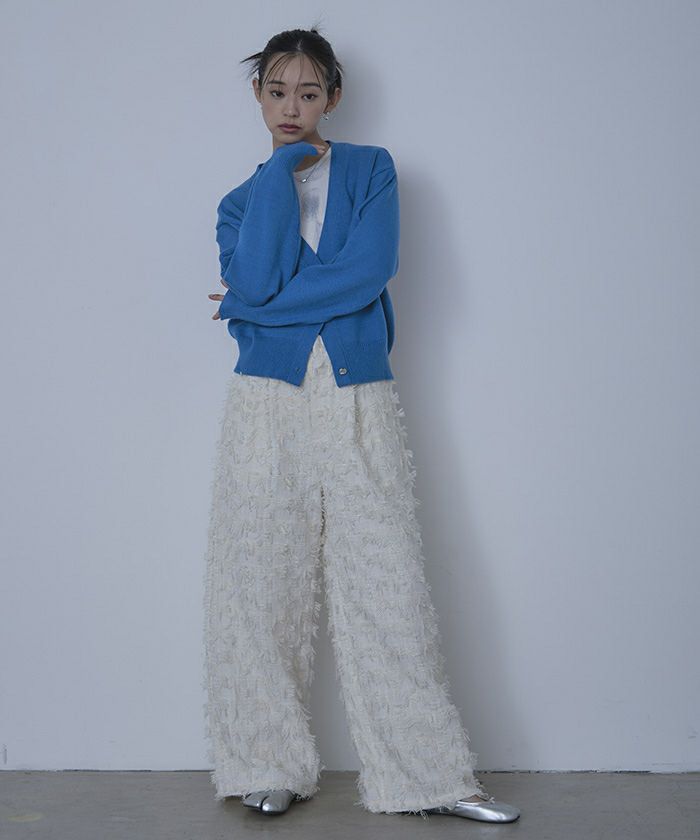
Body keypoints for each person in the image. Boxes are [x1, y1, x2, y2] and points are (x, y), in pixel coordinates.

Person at [202, 26, 520, 824]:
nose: (292, 106)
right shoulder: (241, 201)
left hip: (356, 393)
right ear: (257, 95)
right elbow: (257, 273)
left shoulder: (372, 170)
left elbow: (366, 274)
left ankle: (430, 777)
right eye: (278, 91)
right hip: (264, 401)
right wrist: (280, 175)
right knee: (258, 579)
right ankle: (265, 764)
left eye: (308, 93)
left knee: (385, 580)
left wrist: (247, 309)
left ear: (332, 98)